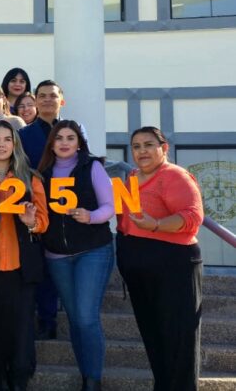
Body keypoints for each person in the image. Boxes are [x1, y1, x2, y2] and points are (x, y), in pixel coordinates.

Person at [117, 127, 204, 391]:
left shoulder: (175, 175)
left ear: (164, 148)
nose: (142, 151)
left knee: (178, 338)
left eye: (148, 145)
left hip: (173, 263)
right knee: (155, 337)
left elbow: (192, 217)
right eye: (136, 146)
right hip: (139, 266)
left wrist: (155, 224)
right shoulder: (132, 177)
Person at [37, 120, 115, 391]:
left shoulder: (92, 166)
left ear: (79, 143)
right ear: (51, 143)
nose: (64, 143)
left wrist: (90, 216)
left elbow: (110, 206)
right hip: (56, 256)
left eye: (70, 138)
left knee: (85, 317)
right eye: (59, 138)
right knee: (74, 318)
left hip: (93, 251)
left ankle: (93, 381)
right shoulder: (42, 173)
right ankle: (86, 376)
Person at [0, 121, 49, 391]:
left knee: (21, 328)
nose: (1, 144)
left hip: (21, 266)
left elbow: (43, 221)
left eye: (7, 139)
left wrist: (31, 222)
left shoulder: (30, 178)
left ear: (15, 144)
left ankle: (20, 381)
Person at [18, 79, 75, 340]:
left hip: (69, 208)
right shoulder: (24, 135)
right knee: (42, 265)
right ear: (35, 100)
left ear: (61, 99)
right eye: (42, 96)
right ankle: (46, 319)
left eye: (52, 95)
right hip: (38, 207)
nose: (47, 100)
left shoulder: (74, 131)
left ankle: (73, 316)